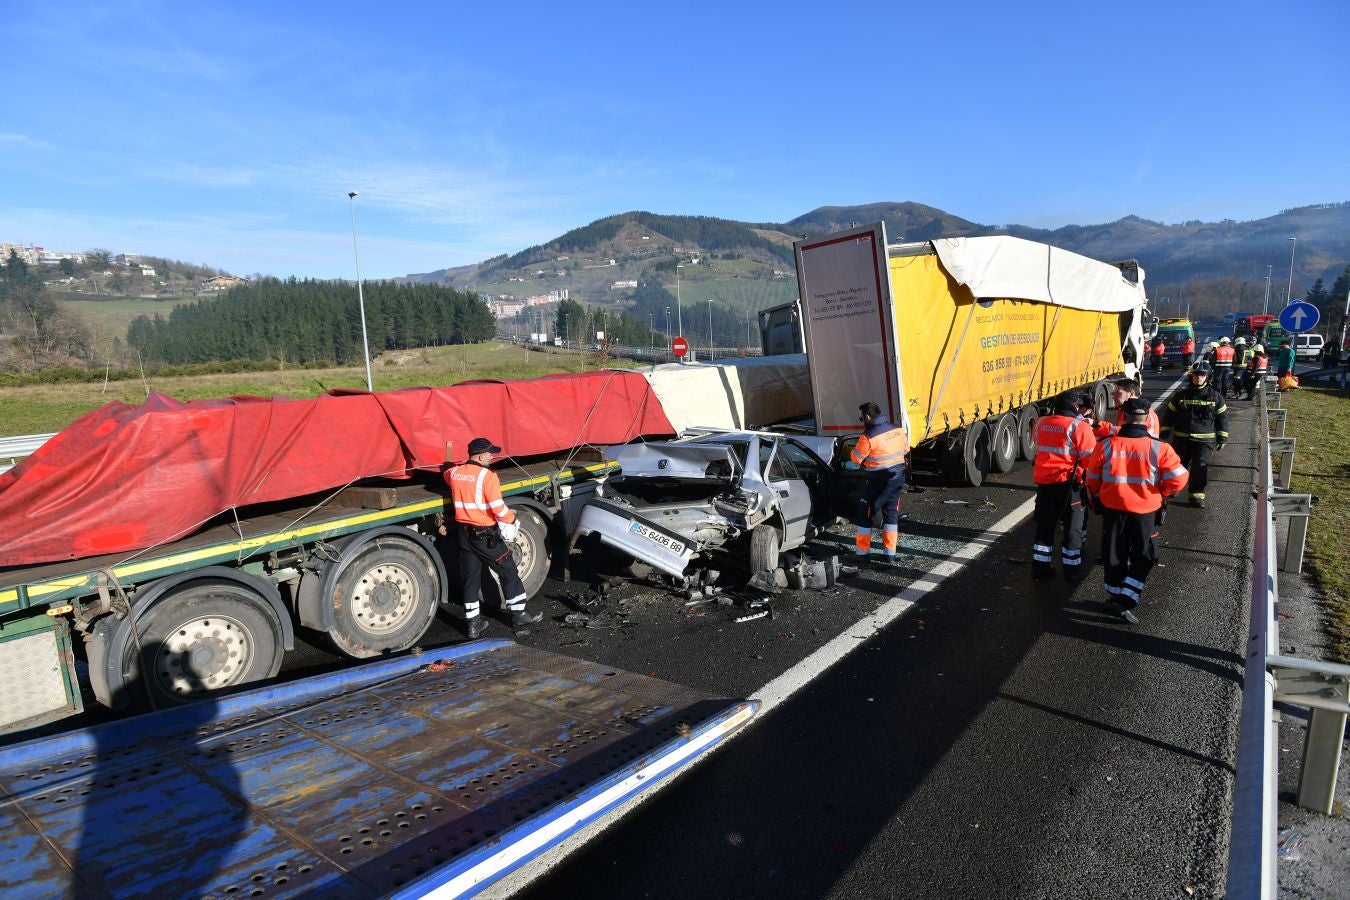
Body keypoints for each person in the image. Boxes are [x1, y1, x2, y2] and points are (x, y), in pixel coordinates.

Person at [1084, 398, 1189, 624]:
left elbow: (1091, 478)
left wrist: (1097, 499)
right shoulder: (1160, 447)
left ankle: (1116, 595)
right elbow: (1179, 479)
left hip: (1113, 510)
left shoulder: (1106, 445)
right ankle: (1125, 598)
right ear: (1147, 417)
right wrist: (1163, 492)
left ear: (1123, 416)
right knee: (1146, 555)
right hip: (1145, 512)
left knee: (1114, 554)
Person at [445, 436, 542, 637]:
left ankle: (473, 625)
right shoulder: (487, 476)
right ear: (480, 456)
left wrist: (449, 465)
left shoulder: (454, 473)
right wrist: (512, 518)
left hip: (464, 535)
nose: (492, 457)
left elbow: (446, 472)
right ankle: (519, 614)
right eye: (490, 454)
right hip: (484, 536)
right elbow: (498, 508)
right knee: (508, 570)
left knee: (470, 579)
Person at [1030, 393, 1097, 580]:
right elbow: (1091, 461)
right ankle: (1072, 570)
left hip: (1045, 484)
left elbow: (1038, 443)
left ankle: (1040, 569)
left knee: (1044, 527)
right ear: (1075, 406)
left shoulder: (1040, 422)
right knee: (1072, 529)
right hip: (1070, 486)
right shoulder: (1079, 427)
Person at [1159, 362, 1228, 508]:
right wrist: (1164, 432)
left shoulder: (1216, 397)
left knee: (1199, 468)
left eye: (1202, 375)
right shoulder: (1180, 396)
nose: (1198, 378)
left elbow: (1222, 419)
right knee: (1178, 466)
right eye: (1196, 375)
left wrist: (1222, 437)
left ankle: (1196, 496)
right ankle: (1174, 487)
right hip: (1181, 439)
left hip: (1204, 441)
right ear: (1191, 377)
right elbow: (1169, 415)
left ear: (1208, 377)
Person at [850, 401, 910, 565]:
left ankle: (862, 554)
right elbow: (905, 449)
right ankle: (889, 555)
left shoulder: (868, 436)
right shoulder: (897, 429)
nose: (862, 421)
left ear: (867, 417)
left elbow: (856, 458)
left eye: (862, 419)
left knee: (865, 514)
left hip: (878, 482)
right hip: (897, 479)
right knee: (891, 515)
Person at [1093, 378, 1160, 439]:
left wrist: (1096, 424)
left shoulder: (1143, 413)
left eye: (1118, 393)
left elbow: (1127, 433)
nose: (1113, 397)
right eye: (1113, 393)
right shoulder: (1126, 409)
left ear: (1131, 394)